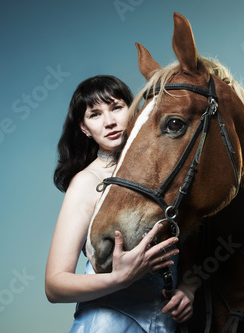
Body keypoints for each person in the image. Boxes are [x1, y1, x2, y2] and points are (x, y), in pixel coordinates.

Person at [45, 75, 194, 332]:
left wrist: (189, 288)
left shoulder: (163, 174)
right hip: (107, 324)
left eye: (116, 107)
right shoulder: (86, 182)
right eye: (95, 114)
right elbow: (54, 285)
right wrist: (119, 279)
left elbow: (189, 242)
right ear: (84, 127)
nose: (109, 121)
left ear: (133, 109)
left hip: (164, 325)